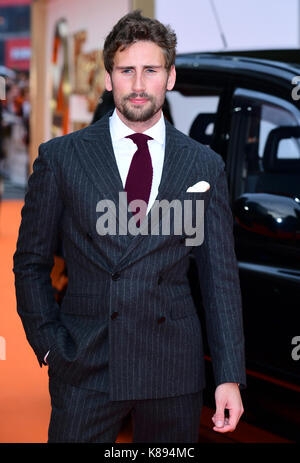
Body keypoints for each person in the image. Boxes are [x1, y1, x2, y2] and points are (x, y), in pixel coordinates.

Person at [13, 10, 246, 443]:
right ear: (108, 79)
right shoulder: (62, 158)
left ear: (170, 77)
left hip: (172, 367)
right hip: (85, 360)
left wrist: (228, 374)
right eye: (126, 71)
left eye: (151, 70)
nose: (138, 85)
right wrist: (49, 344)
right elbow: (29, 262)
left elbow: (220, 279)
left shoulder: (203, 164)